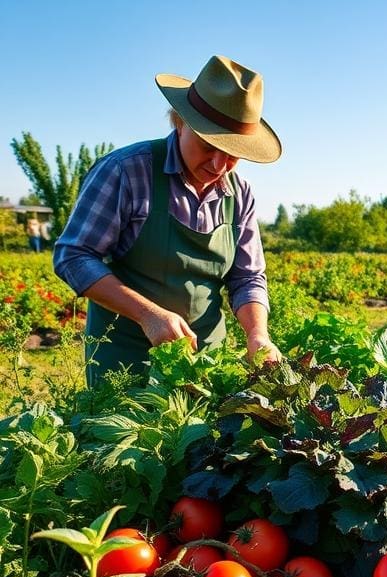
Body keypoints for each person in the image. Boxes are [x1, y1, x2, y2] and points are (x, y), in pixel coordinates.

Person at [54, 54, 282, 387]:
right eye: (208, 145)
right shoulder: (127, 172)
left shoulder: (240, 194)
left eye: (233, 152)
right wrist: (148, 314)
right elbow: (73, 256)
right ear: (179, 121)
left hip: (206, 365)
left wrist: (257, 332)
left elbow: (247, 277)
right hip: (126, 362)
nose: (220, 164)